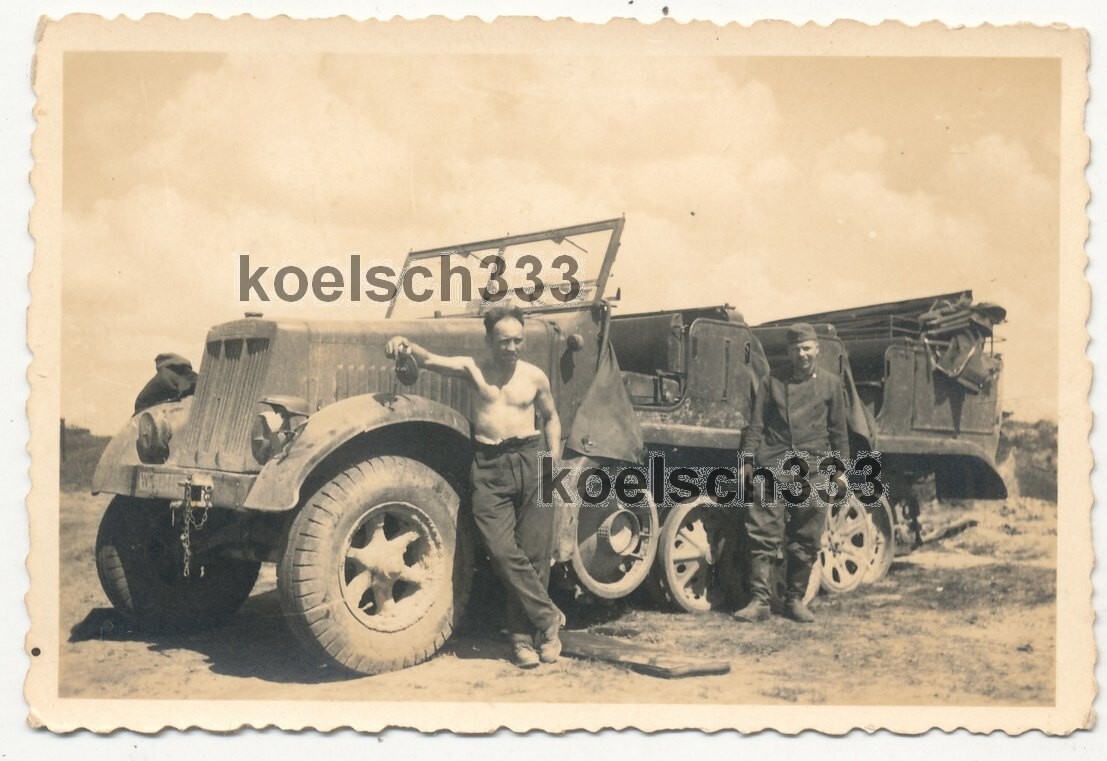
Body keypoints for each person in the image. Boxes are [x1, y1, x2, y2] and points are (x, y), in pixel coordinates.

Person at [385, 305, 564, 668]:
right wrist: (404, 343)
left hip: (534, 462)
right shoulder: (472, 369)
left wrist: (552, 463)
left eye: (518, 341)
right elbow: (429, 360)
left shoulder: (535, 376)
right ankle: (548, 616)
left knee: (535, 554)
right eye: (504, 341)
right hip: (489, 466)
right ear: (489, 341)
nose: (511, 348)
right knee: (500, 550)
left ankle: (526, 639)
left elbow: (551, 418)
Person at [734, 322, 850, 624]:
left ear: (817, 349)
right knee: (762, 531)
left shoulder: (831, 384)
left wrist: (841, 472)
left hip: (814, 468)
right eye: (796, 349)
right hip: (774, 463)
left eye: (807, 348)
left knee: (807, 535)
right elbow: (756, 425)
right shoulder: (772, 381)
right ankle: (759, 601)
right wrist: (747, 461)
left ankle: (794, 600)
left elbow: (839, 432)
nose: (802, 354)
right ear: (789, 352)